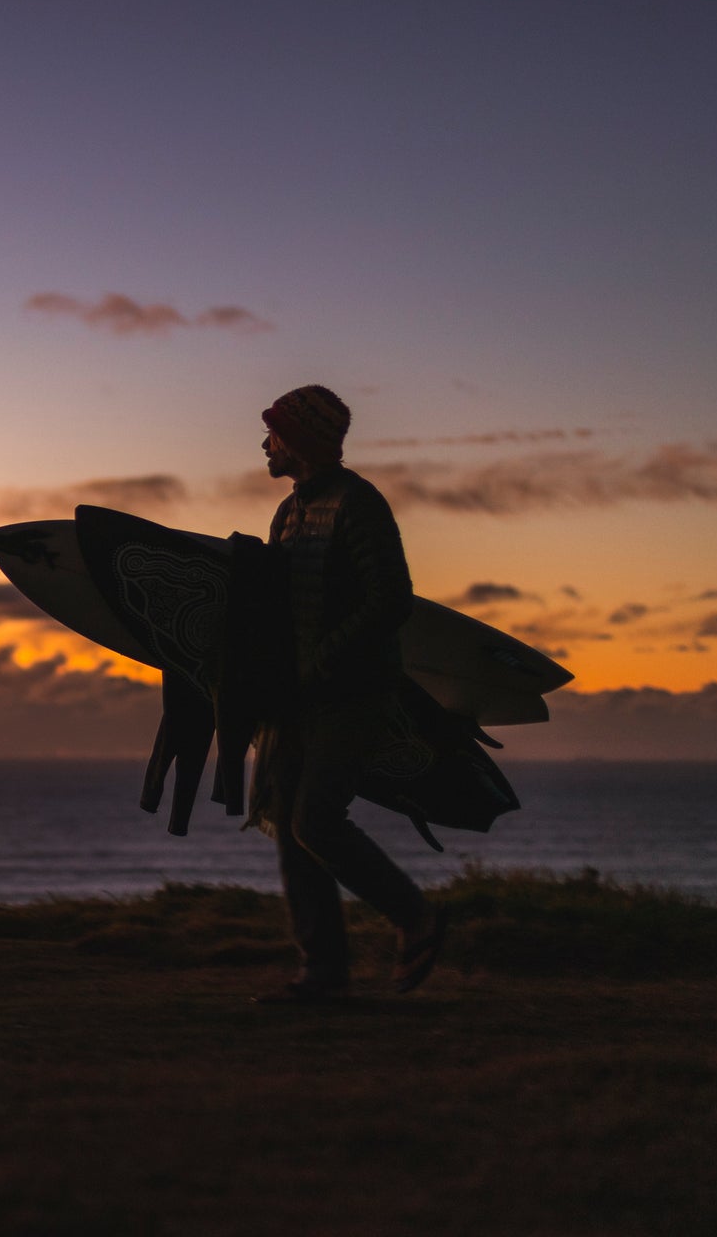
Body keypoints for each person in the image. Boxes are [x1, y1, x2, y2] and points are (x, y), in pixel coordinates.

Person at [248, 384, 446, 1003]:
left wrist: (327, 658)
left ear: (300, 440)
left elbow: (391, 597)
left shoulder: (358, 503)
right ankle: (323, 973)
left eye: (275, 432)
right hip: (295, 698)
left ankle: (417, 917)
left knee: (315, 819)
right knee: (287, 820)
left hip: (352, 692)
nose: (265, 444)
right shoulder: (288, 512)